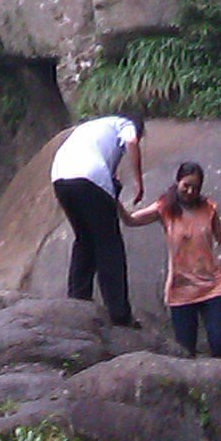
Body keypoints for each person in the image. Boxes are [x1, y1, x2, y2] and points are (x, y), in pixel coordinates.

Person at [125, 160, 221, 358]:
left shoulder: (208, 208)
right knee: (185, 352)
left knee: (219, 344)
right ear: (177, 182)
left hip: (212, 285)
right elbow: (132, 220)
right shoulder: (165, 208)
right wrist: (112, 201)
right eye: (186, 185)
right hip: (181, 288)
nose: (190, 191)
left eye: (196, 187)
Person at [50, 111, 144, 328]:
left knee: (84, 238)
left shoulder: (92, 127)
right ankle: (119, 313)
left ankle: (78, 298)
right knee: (109, 244)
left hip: (60, 177)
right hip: (89, 175)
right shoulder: (125, 124)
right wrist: (139, 182)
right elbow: (131, 141)